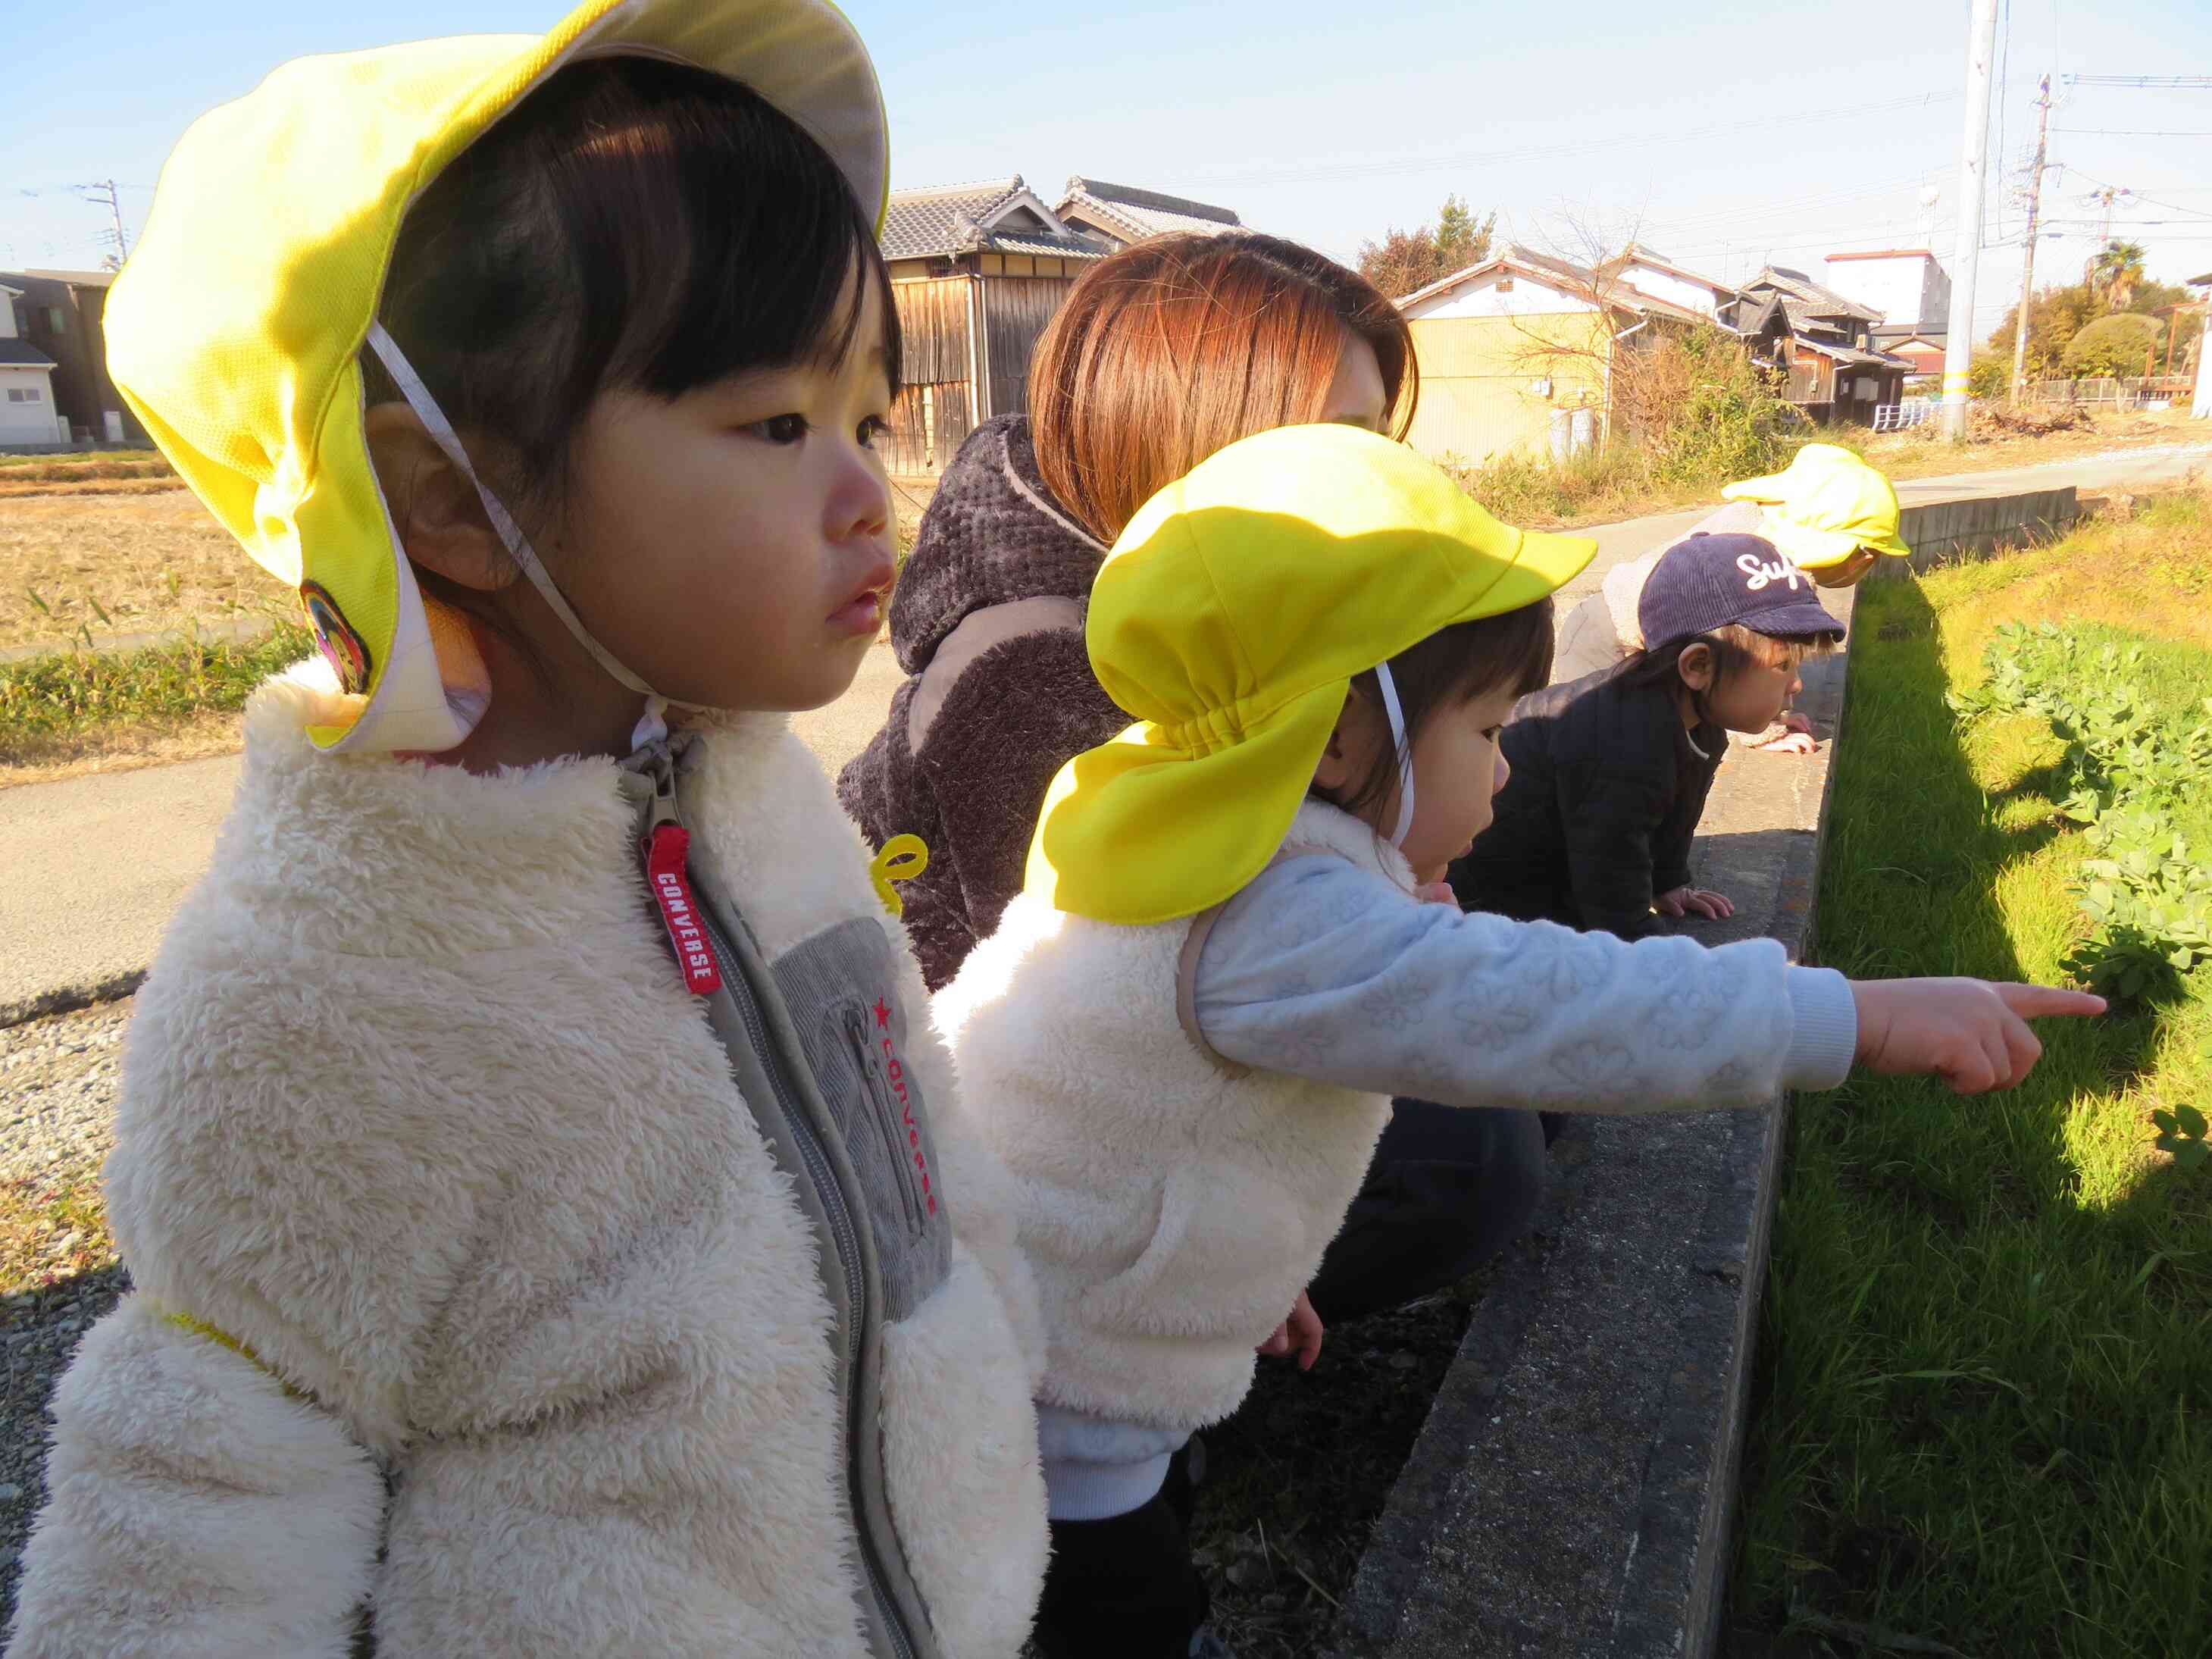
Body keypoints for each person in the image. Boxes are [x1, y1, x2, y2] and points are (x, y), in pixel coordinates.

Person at [8, 8, 1052, 1657]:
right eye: (777, 425)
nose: (869, 493)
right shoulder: (328, 979)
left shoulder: (766, 795)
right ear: (444, 494)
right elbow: (213, 1466)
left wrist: (1005, 1389)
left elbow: (917, 1134)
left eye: (870, 416)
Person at [934, 423, 2102, 1659]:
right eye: (1486, 730)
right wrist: (1846, 1013)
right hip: (1056, 1387)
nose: (1504, 769)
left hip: (1033, 1291)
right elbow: (1554, 1007)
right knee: (1110, 1605)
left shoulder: (1164, 813)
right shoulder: (1276, 913)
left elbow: (1120, 1100)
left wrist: (1233, 1268)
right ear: (1334, 734)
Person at [840, 233, 1539, 1344]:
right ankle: (1144, 1355)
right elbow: (1063, 1042)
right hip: (953, 1157)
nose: (1384, 488)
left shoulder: (1209, 592)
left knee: (1490, 1108)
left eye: (1375, 443)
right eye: (1333, 443)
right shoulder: (1036, 666)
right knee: (1467, 1156)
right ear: (1190, 431)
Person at [1454, 531, 1844, 937]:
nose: (1796, 685)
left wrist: (1669, 880)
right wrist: (1648, 945)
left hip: (1570, 852)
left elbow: (1681, 809)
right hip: (1491, 885)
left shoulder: (1702, 723)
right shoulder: (1623, 742)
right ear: (1697, 666)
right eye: (1784, 666)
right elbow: (1608, 863)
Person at [1550, 443, 1911, 752]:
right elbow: (1746, 656)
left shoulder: (1770, 519)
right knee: (1600, 752)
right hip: (1609, 640)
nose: (1868, 563)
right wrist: (1765, 731)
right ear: (1858, 553)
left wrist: (1775, 709)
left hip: (1638, 641)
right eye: (1871, 554)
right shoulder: (1767, 565)